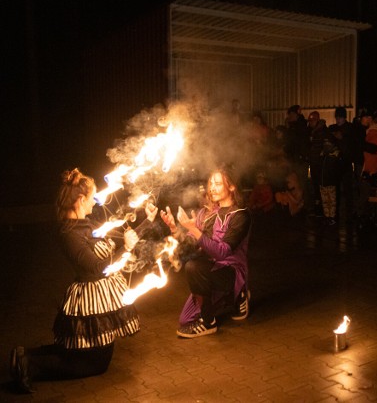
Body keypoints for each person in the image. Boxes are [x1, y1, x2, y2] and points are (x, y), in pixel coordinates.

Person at [9, 168, 155, 393]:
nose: (95, 202)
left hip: (104, 295)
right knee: (94, 364)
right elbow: (96, 268)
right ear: (79, 200)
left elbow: (118, 240)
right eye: (91, 197)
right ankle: (31, 364)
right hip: (90, 297)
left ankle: (25, 355)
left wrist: (147, 221)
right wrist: (125, 248)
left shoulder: (87, 223)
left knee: (82, 353)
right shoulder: (69, 234)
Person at [160, 168, 251, 338]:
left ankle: (213, 318)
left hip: (230, 273)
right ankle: (225, 299)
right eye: (211, 184)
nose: (212, 188)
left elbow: (222, 253)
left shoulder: (240, 216)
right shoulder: (206, 213)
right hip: (210, 272)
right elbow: (188, 245)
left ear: (231, 187)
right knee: (185, 320)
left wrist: (194, 229)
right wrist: (174, 229)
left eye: (217, 184)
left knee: (193, 267)